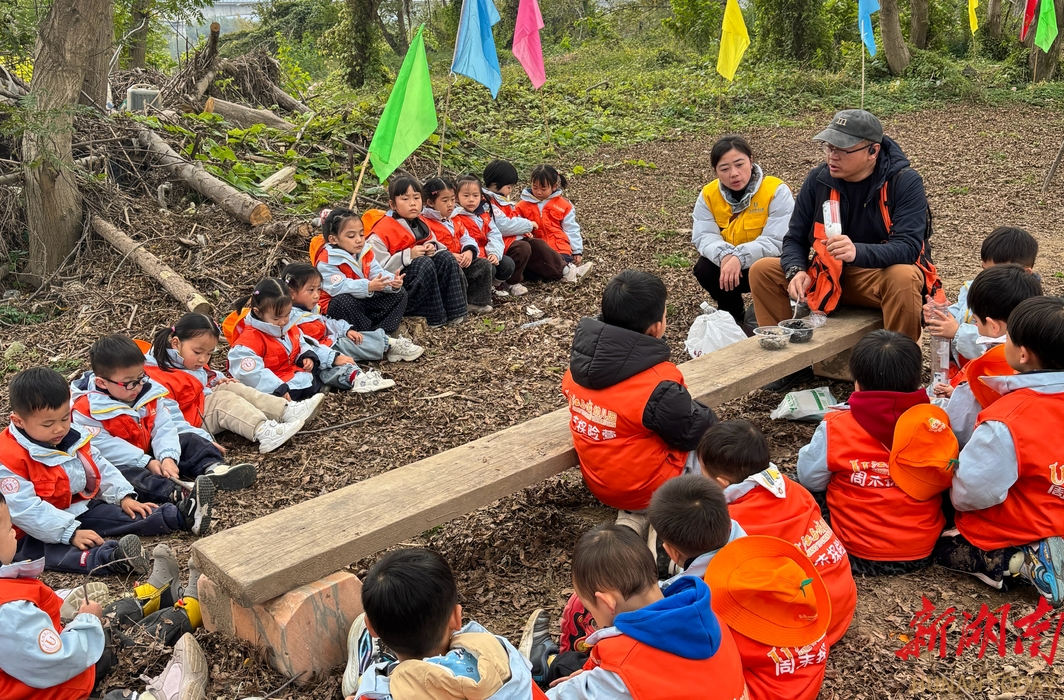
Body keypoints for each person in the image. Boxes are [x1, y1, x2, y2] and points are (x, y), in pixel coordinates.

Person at [750, 110, 944, 391]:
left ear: (872, 151)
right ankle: (789, 366)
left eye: (842, 149)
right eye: (829, 147)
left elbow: (908, 247)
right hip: (826, 275)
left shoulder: (903, 181)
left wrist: (858, 252)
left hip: (877, 280)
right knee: (763, 271)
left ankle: (897, 375)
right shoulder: (818, 180)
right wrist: (797, 270)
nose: (832, 156)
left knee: (904, 276)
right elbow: (794, 238)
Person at [0, 500, 209, 700]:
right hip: (71, 675)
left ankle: (156, 596)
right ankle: (188, 612)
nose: (14, 533)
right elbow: (53, 662)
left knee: (109, 615)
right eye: (9, 527)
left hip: (63, 649)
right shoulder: (7, 612)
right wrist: (87, 622)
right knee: (130, 644)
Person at [646, 477, 831, 700]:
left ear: (672, 552)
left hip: (754, 692)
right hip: (802, 680)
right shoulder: (772, 558)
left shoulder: (696, 602)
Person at [562, 270, 718, 530]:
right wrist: (706, 414)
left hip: (601, 484)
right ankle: (668, 522)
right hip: (647, 488)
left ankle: (633, 519)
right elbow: (692, 431)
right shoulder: (658, 381)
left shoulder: (576, 371)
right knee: (713, 446)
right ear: (656, 327)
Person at [796, 330, 958, 575]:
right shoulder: (934, 421)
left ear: (857, 383)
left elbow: (809, 479)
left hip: (853, 551)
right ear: (916, 380)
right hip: (923, 550)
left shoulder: (836, 426)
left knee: (802, 490)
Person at [936, 296, 1064, 607]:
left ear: (1022, 354)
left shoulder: (1009, 418)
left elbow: (972, 492)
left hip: (1028, 522)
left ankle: (1020, 561)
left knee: (944, 545)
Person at [1, 367, 185, 576]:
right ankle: (113, 559)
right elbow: (25, 510)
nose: (59, 429)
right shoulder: (7, 457)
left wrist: (122, 496)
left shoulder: (73, 436)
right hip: (27, 531)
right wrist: (69, 533)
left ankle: (176, 516)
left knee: (126, 511)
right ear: (18, 421)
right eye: (48, 424)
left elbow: (100, 465)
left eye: (64, 419)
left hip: (76, 506)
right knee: (51, 552)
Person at [542, 523, 747, 700]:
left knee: (565, 665)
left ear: (606, 602)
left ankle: (542, 662)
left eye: (590, 609)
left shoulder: (623, 667)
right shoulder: (708, 613)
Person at [698, 420, 856, 646]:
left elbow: (706, 575)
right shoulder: (794, 489)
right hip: (839, 606)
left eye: (703, 473)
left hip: (802, 628)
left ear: (721, 483)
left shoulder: (732, 522)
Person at [70, 335, 239, 530]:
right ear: (101, 383)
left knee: (189, 439)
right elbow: (105, 447)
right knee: (127, 475)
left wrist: (168, 456)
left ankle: (214, 468)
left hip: (152, 448)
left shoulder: (149, 391)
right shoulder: (85, 409)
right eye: (129, 383)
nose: (138, 386)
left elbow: (164, 426)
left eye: (140, 377)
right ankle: (176, 492)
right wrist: (145, 461)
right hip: (126, 460)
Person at [342, 547, 538, 699]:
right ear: (456, 617)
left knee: (373, 682)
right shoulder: (503, 657)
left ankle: (374, 672)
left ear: (372, 628)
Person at [146, 312, 318, 455]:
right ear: (176, 343)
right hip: (190, 422)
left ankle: (286, 410)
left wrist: (216, 379)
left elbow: (200, 374)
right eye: (198, 352)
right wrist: (200, 439)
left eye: (209, 354)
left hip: (197, 405)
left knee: (229, 386)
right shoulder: (157, 376)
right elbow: (169, 418)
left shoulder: (184, 359)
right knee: (223, 401)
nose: (203, 359)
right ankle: (263, 431)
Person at [690, 135, 794, 330]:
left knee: (766, 268)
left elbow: (777, 240)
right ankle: (733, 314)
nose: (734, 174)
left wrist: (739, 257)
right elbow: (704, 236)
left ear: (751, 161)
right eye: (724, 169)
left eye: (739, 164)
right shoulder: (708, 195)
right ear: (715, 171)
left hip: (768, 264)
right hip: (731, 266)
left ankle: (769, 312)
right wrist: (726, 255)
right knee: (705, 268)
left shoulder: (775, 190)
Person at [937, 265, 1042, 445]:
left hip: (986, 448)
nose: (974, 327)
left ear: (994, 327)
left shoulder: (987, 367)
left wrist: (940, 404)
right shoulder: (1045, 352)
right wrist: (958, 393)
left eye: (976, 321)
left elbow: (959, 426)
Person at [924, 226, 1039, 369]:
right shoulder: (977, 286)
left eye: (996, 272)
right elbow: (962, 311)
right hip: (962, 368)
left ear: (1026, 272)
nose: (986, 277)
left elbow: (999, 347)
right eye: (984, 270)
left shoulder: (1026, 307)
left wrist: (957, 332)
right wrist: (942, 314)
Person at [365, 177, 469, 327]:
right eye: (405, 199)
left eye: (416, 197)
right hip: (397, 287)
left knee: (445, 257)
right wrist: (409, 255)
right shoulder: (381, 231)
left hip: (422, 277)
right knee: (423, 263)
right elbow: (377, 268)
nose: (412, 203)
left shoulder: (421, 222)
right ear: (392, 204)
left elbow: (433, 242)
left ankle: (456, 312)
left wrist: (431, 247)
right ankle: (433, 318)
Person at [282, 263, 396, 393]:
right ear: (291, 293)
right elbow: (304, 346)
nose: (316, 295)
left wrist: (346, 330)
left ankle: (390, 344)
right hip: (314, 357)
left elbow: (326, 322)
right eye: (311, 290)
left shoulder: (310, 308)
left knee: (356, 339)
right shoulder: (286, 319)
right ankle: (357, 378)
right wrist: (333, 358)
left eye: (318, 289)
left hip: (330, 343)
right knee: (328, 370)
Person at [313, 208, 418, 350]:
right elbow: (338, 287)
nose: (358, 240)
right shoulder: (326, 260)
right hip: (337, 306)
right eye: (351, 236)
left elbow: (376, 272)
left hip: (363, 296)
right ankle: (372, 339)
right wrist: (368, 286)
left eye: (361, 234)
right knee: (343, 302)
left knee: (399, 294)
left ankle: (382, 333)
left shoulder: (365, 252)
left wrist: (392, 282)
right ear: (333, 239)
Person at [226, 278, 327, 402]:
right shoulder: (247, 343)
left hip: (294, 375)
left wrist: (305, 356)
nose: (284, 321)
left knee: (316, 377)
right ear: (258, 313)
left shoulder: (287, 325)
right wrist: (278, 387)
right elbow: (251, 375)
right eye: (277, 318)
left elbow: (299, 341)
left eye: (287, 314)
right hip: (275, 386)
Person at [422, 177, 495, 315]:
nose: (450, 204)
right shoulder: (425, 222)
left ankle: (476, 302)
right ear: (430, 202)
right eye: (445, 201)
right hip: (444, 265)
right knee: (456, 271)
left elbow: (466, 237)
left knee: (483, 265)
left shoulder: (455, 218)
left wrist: (468, 251)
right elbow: (429, 245)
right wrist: (449, 255)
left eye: (451, 199)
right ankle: (457, 306)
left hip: (461, 258)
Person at [515, 165, 592, 285]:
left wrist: (577, 250)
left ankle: (561, 271)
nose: (538, 192)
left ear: (554, 186)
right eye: (535, 187)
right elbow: (516, 226)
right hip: (538, 252)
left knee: (551, 264)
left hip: (560, 249)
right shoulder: (521, 206)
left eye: (543, 188)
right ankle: (567, 272)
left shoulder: (564, 205)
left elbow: (571, 228)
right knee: (536, 248)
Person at [453, 173, 526, 297]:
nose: (471, 199)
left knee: (507, 264)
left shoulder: (484, 215)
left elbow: (494, 234)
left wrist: (494, 253)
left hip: (487, 254)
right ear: (456, 197)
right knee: (488, 268)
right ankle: (476, 293)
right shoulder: (455, 218)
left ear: (481, 197)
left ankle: (493, 286)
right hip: (471, 258)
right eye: (466, 196)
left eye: (475, 196)